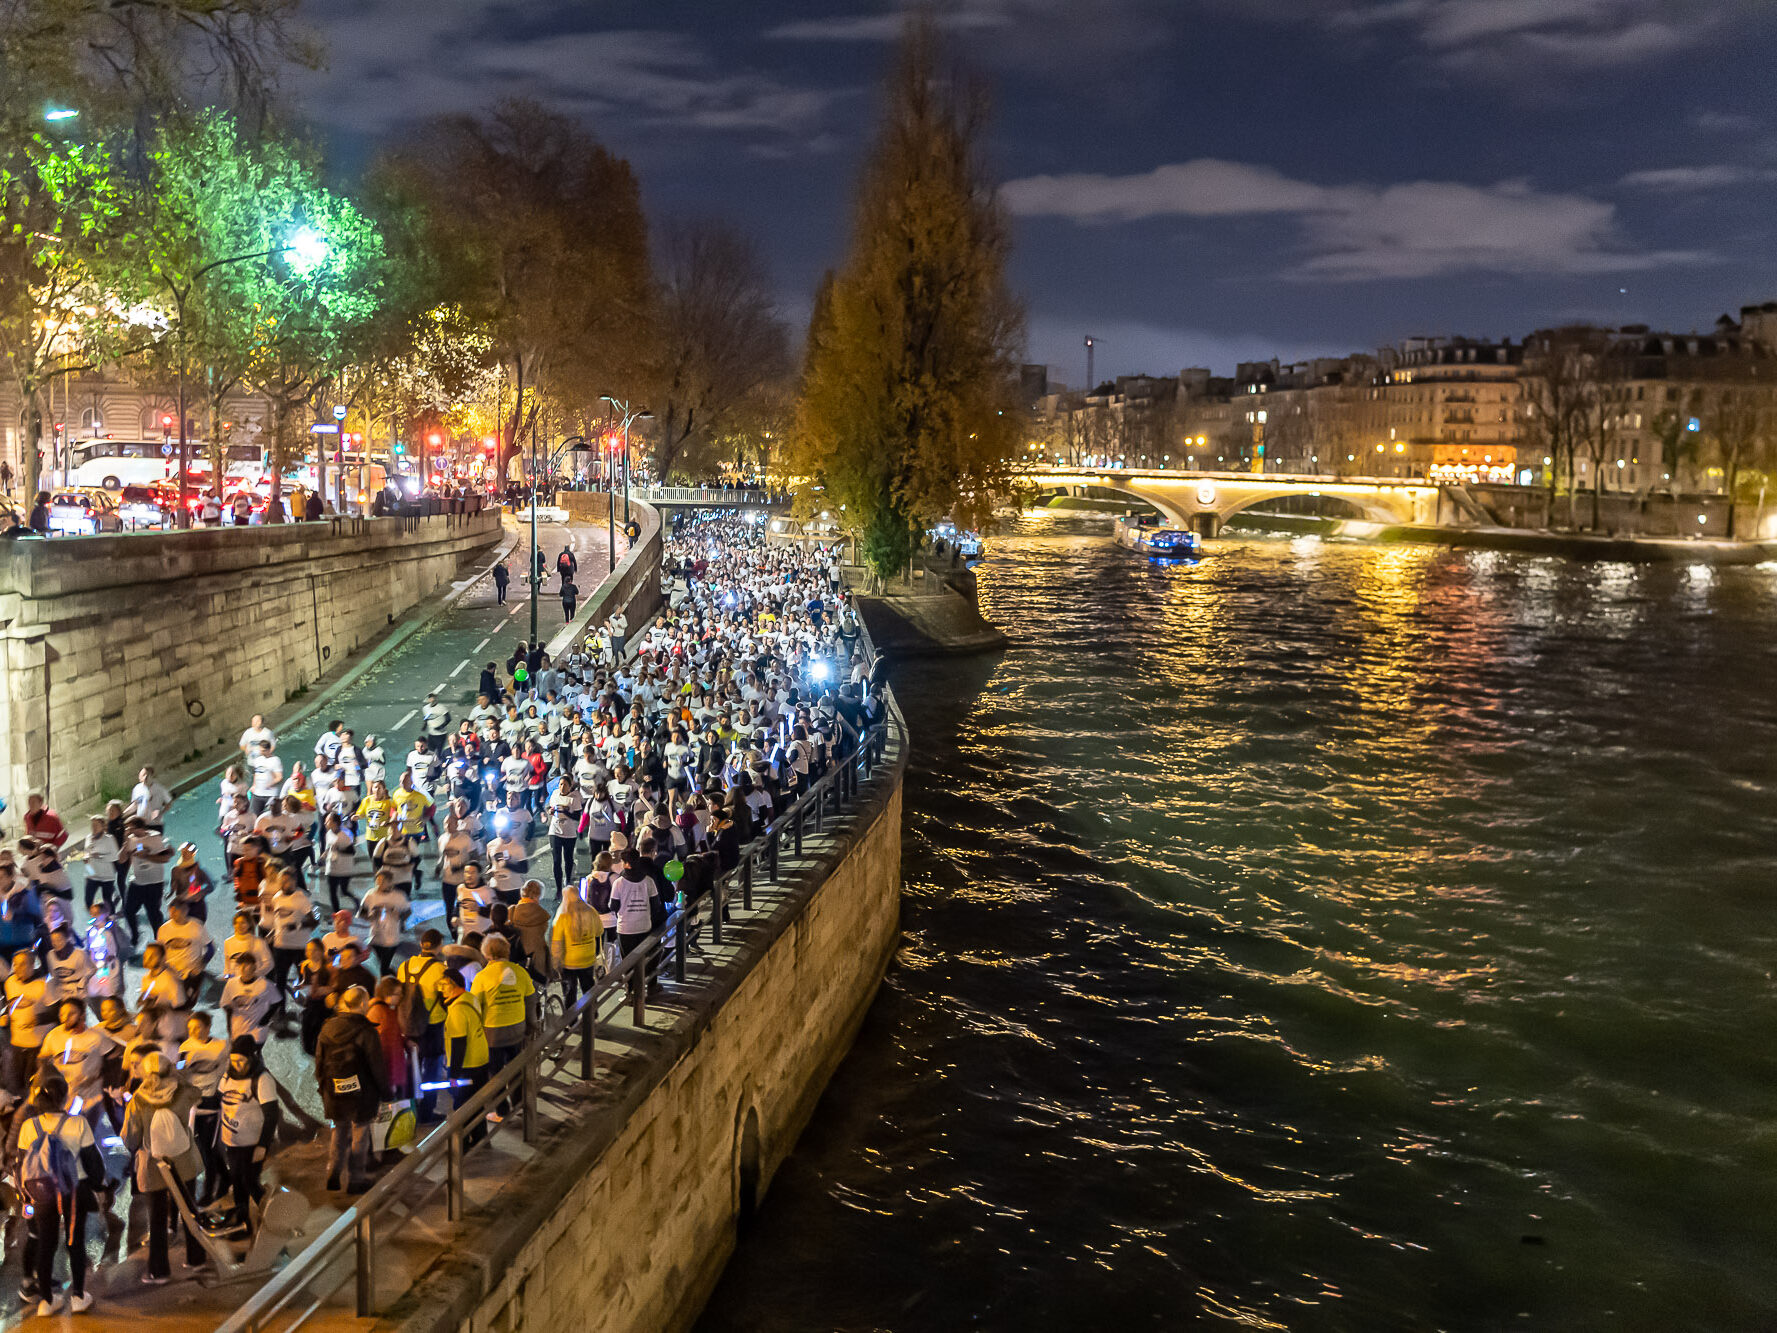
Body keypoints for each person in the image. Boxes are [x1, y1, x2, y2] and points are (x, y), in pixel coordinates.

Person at [15, 1069, 105, 1314]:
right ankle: (77, 1296)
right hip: (74, 1191)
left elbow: (21, 1164)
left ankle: (47, 1301)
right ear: (64, 1097)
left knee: (46, 1244)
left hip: (42, 1192)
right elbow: (93, 1162)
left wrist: (25, 1198)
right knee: (75, 1243)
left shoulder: (28, 1126)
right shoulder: (78, 1123)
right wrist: (99, 1187)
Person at [313, 985, 389, 1193]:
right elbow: (377, 1066)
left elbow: (319, 1061)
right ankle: (355, 1180)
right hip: (361, 1094)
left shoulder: (328, 1027)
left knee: (339, 1131)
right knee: (360, 1135)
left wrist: (323, 1087)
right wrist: (386, 1092)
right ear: (364, 1004)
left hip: (334, 1091)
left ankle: (333, 1175)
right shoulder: (366, 1031)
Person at [217, 1035, 279, 1236]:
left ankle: (276, 1220)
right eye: (233, 1060)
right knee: (238, 1182)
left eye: (241, 1060)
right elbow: (219, 1097)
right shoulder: (227, 1076)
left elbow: (271, 1114)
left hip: (252, 1143)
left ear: (252, 1058)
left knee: (250, 1182)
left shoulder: (262, 1079)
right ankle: (244, 1223)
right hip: (232, 1142)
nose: (236, 1064)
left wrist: (262, 1145)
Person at [396, 932, 448, 1121]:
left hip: (408, 1025)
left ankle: (409, 1110)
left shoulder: (404, 966)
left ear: (421, 944)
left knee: (411, 1069)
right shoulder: (440, 969)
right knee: (432, 1070)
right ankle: (427, 1112)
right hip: (432, 1026)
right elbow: (444, 998)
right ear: (439, 945)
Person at [439, 968, 489, 1139]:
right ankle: (480, 1137)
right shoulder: (470, 998)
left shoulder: (457, 1011)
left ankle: (463, 1144)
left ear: (455, 985)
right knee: (478, 1103)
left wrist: (453, 1075)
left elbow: (459, 1044)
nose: (441, 989)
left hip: (467, 1065)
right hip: (481, 1058)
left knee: (462, 1106)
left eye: (444, 985)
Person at [551, 882, 605, 1007]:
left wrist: (555, 962)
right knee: (589, 989)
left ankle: (572, 1022)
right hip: (588, 958)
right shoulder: (590, 911)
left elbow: (557, 943)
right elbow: (599, 931)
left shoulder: (562, 916)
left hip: (569, 962)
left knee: (570, 993)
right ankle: (592, 1016)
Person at [80, 813, 120, 914]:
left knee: (107, 900)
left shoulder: (109, 839)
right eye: (92, 825)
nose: (94, 828)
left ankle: (112, 918)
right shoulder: (88, 838)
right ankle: (96, 919)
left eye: (96, 825)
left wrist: (101, 856)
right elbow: (87, 852)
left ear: (103, 826)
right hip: (92, 875)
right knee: (88, 900)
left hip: (106, 876)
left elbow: (115, 856)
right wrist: (86, 860)